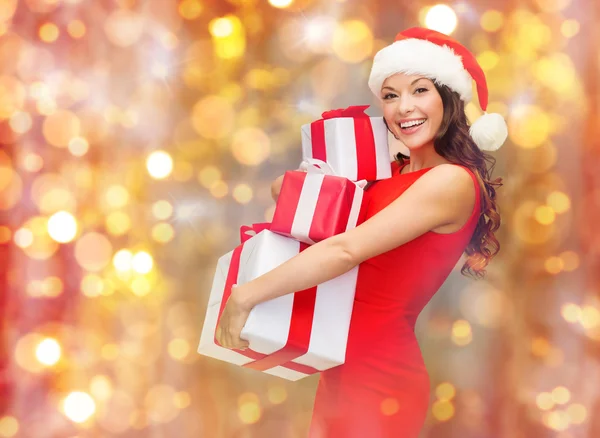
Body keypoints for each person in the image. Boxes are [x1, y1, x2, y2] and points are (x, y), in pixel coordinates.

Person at [216, 27, 506, 437]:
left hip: (379, 373)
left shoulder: (452, 182)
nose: (404, 108)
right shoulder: (393, 174)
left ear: (447, 98)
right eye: (390, 95)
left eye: (419, 90)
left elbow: (345, 250)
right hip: (339, 364)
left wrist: (246, 295)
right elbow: (287, 195)